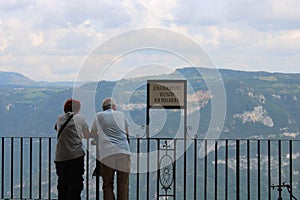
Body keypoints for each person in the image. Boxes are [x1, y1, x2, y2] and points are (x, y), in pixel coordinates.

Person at [91, 98, 131, 200]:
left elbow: (93, 134)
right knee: (123, 184)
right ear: (113, 106)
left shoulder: (98, 116)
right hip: (123, 152)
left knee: (107, 184)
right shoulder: (121, 115)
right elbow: (126, 133)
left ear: (103, 108)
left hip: (107, 153)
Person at [54, 98, 90, 200]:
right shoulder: (80, 118)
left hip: (60, 157)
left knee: (62, 184)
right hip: (76, 156)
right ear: (77, 109)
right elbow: (87, 135)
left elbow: (56, 128)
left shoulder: (60, 118)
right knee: (75, 184)